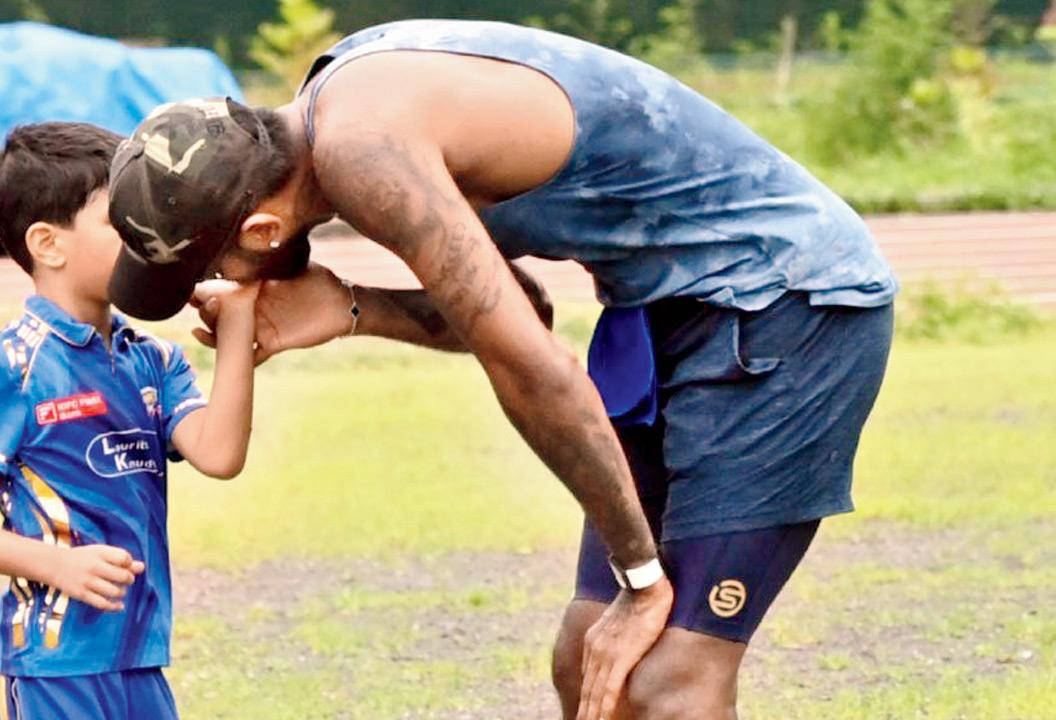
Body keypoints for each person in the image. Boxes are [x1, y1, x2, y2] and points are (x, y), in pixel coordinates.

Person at [104, 19, 897, 720]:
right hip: (664, 312)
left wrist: (641, 577)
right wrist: (352, 307)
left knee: (672, 682)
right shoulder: (334, 111)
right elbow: (522, 309)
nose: (226, 284)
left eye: (216, 267)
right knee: (584, 655)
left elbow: (533, 368)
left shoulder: (362, 152)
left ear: (262, 229)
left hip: (786, 298)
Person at [0, 121, 259, 720]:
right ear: (48, 244)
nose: (147, 234)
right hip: (49, 667)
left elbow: (220, 455)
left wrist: (238, 324)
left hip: (139, 659)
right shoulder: (9, 367)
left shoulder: (153, 360)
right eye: (123, 219)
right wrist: (56, 564)